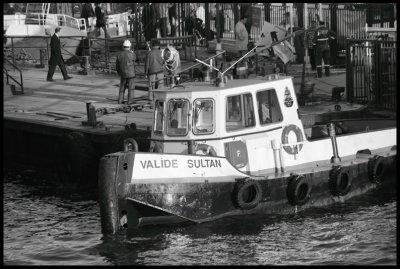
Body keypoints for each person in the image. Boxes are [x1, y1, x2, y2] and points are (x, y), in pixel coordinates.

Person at [116, 40, 136, 104]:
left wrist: (120, 73)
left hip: (123, 74)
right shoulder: (132, 54)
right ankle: (130, 101)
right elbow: (136, 59)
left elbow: (117, 66)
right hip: (131, 75)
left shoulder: (119, 55)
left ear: (123, 46)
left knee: (122, 87)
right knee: (131, 88)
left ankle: (120, 100)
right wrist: (133, 53)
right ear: (130, 46)